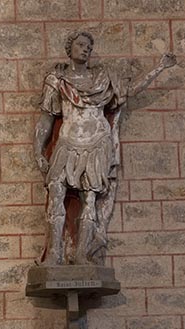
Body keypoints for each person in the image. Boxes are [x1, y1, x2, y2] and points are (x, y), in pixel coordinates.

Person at [34, 31, 176, 266]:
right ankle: (54, 255)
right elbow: (45, 120)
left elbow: (131, 90)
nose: (85, 49)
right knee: (56, 193)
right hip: (68, 142)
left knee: (90, 198)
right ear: (69, 49)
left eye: (89, 46)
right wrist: (37, 151)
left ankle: (82, 254)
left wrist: (159, 67)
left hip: (98, 141)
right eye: (80, 44)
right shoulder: (57, 79)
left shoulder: (103, 79)